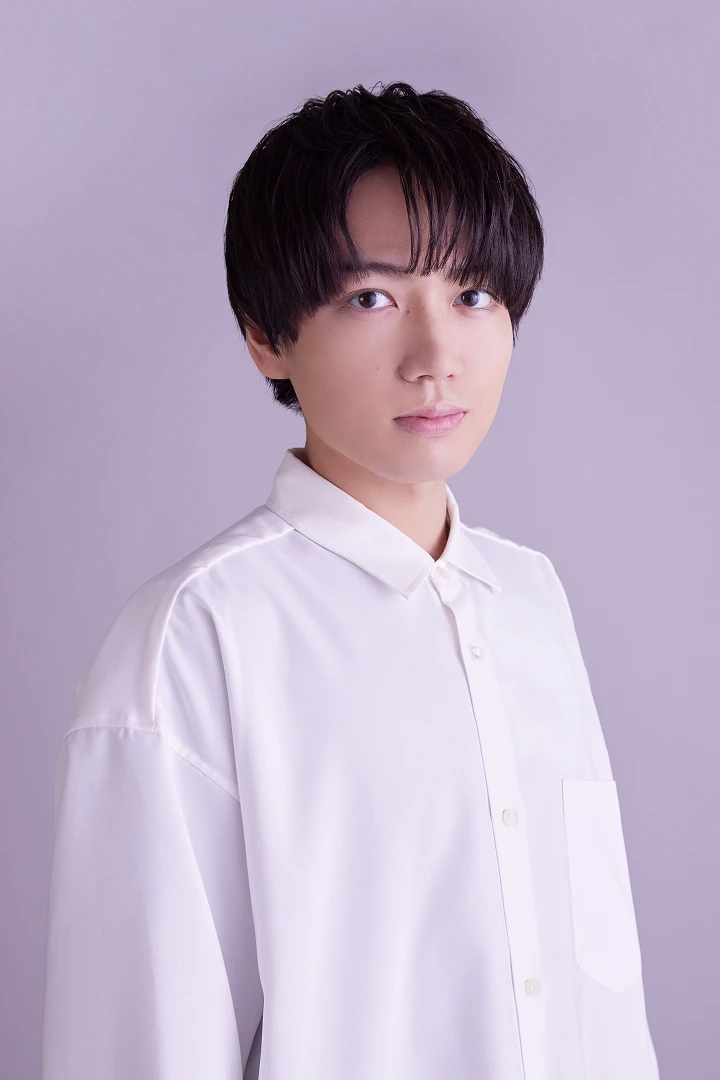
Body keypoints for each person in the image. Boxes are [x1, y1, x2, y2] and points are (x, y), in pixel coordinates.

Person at [40, 81, 659, 1079]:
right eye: (373, 298)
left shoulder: (531, 599)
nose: (436, 356)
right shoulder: (197, 638)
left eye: (473, 295)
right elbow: (139, 1047)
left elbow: (602, 1010)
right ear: (266, 334)